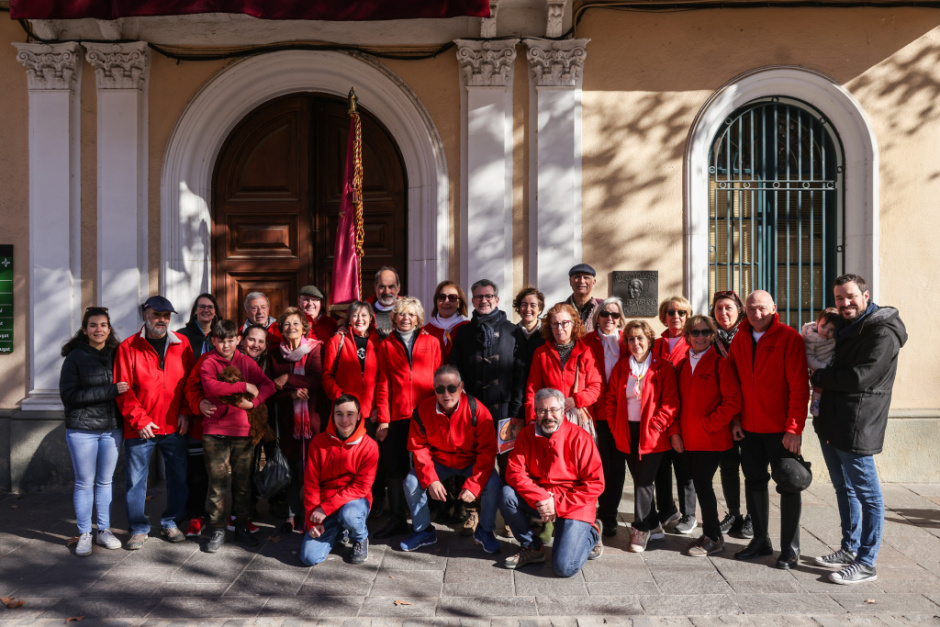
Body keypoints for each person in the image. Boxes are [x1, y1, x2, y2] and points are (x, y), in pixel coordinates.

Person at [811, 274, 907, 585]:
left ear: (865, 295)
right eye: (839, 298)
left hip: (857, 423)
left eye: (851, 296)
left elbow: (859, 378)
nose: (845, 303)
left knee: (869, 495)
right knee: (844, 488)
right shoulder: (846, 327)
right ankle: (849, 548)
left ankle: (866, 562)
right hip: (832, 420)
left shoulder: (882, 332)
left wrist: (819, 377)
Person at [726, 290, 809, 569]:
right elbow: (734, 383)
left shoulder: (789, 338)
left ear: (773, 308)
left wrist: (794, 428)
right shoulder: (740, 338)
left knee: (788, 483)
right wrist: (736, 419)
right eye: (750, 309)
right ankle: (760, 540)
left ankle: (790, 549)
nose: (756, 313)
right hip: (749, 429)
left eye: (761, 308)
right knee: (754, 482)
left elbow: (799, 387)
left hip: (781, 430)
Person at [114, 296, 195, 550]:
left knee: (178, 478)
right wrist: (140, 420)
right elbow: (122, 390)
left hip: (174, 425)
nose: (162, 320)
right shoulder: (128, 347)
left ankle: (171, 521)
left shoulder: (183, 344)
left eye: (166, 316)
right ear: (144, 315)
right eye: (157, 315)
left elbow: (191, 384)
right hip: (140, 428)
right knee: (136, 481)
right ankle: (138, 528)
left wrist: (185, 412)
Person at [500, 387, 604, 576]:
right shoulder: (526, 435)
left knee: (564, 568)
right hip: (542, 497)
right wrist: (542, 498)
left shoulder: (580, 438)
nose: (548, 416)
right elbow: (514, 472)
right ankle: (532, 547)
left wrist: (557, 505)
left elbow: (595, 483)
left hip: (573, 503)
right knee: (507, 494)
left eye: (554, 410)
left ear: (563, 410)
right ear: (536, 412)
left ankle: (592, 532)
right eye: (542, 410)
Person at [401, 365, 502, 554]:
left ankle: (485, 530)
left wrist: (474, 485)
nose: (446, 394)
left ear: (461, 386)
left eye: (451, 388)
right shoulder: (423, 410)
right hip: (439, 462)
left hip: (470, 461)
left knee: (493, 482)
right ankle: (423, 531)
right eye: (440, 389)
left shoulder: (477, 410)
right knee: (412, 482)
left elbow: (487, 452)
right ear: (434, 390)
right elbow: (418, 448)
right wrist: (431, 479)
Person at [198, 319, 275, 552]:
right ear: (213, 341)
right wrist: (244, 386)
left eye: (231, 340)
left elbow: (268, 385)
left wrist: (255, 403)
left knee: (242, 484)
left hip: (243, 433)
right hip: (215, 432)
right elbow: (212, 388)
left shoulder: (246, 362)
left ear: (237, 340)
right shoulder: (209, 362)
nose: (226, 345)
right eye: (221, 341)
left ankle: (240, 524)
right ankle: (217, 528)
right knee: (217, 483)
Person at [603, 320, 679, 553]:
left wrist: (656, 426)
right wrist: (616, 428)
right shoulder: (621, 367)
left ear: (649, 340)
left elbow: (671, 402)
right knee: (639, 480)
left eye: (640, 338)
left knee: (644, 482)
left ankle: (640, 528)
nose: (635, 343)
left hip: (652, 434)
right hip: (626, 432)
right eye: (631, 339)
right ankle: (654, 526)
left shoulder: (662, 367)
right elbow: (611, 401)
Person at [59, 306, 128, 556]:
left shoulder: (117, 354)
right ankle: (85, 533)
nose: (98, 329)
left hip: (111, 429)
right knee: (84, 483)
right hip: (83, 429)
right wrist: (110, 391)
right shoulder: (75, 357)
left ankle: (104, 530)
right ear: (85, 329)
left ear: (109, 329)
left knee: (106, 482)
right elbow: (69, 396)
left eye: (103, 325)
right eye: (93, 325)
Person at [671, 315, 742, 557]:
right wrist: (676, 433)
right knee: (699, 485)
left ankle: (714, 537)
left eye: (705, 332)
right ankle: (710, 533)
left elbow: (732, 402)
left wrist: (708, 425)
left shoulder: (719, 364)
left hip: (711, 440)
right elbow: (675, 403)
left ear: (712, 335)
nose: (700, 336)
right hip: (688, 439)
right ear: (687, 336)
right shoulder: (681, 365)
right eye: (695, 332)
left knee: (702, 485)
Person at [374, 296, 442, 539]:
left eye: (411, 314)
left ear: (418, 319)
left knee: (429, 463)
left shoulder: (432, 342)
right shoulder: (386, 345)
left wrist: (441, 412)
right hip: (398, 415)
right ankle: (397, 518)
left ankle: (431, 511)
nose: (406, 318)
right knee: (394, 467)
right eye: (401, 314)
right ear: (394, 318)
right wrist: (383, 419)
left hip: (427, 414)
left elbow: (439, 380)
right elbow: (383, 383)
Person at [300, 394, 378, 566]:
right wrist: (311, 520)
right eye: (339, 414)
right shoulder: (318, 442)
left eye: (350, 414)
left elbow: (361, 487)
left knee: (349, 515)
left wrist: (325, 508)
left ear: (359, 416)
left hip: (354, 503)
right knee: (309, 558)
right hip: (324, 506)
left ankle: (360, 537)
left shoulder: (369, 446)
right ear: (332, 415)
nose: (344, 420)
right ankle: (340, 533)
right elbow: (311, 484)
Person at [322, 301, 384, 515]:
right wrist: (343, 403)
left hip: (371, 414)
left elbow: (383, 379)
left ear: (371, 318)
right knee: (345, 462)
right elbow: (327, 376)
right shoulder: (336, 341)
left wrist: (379, 407)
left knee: (369, 462)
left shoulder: (380, 342)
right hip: (345, 415)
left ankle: (370, 505)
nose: (360, 319)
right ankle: (343, 505)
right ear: (348, 318)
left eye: (364, 315)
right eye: (355, 315)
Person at [268, 307, 323, 535]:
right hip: (288, 422)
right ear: (281, 329)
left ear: (304, 327)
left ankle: (309, 515)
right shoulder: (274, 354)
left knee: (308, 471)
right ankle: (291, 516)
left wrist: (289, 378)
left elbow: (316, 379)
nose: (291, 328)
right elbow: (271, 389)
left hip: (312, 421)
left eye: (296, 323)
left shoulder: (315, 349)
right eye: (286, 324)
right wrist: (291, 393)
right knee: (291, 471)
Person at [582, 297, 628, 537]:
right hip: (592, 412)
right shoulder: (586, 341)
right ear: (597, 317)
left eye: (615, 314)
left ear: (620, 318)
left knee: (616, 465)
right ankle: (588, 510)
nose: (609, 319)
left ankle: (609, 514)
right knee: (593, 463)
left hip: (620, 413)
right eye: (605, 314)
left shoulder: (627, 341)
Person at [651, 295, 697, 536]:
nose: (676, 317)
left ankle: (689, 514)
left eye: (681, 313)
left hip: (683, 415)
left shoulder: (694, 344)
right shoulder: (655, 345)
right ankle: (668, 509)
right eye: (671, 312)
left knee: (684, 467)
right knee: (660, 467)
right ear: (663, 316)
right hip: (660, 415)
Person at [710, 290, 752, 539]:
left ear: (739, 310)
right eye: (718, 308)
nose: (723, 313)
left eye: (728, 308)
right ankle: (734, 513)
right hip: (723, 412)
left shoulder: (748, 335)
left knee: (751, 468)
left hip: (749, 412)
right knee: (727, 467)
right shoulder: (709, 337)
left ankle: (753, 517)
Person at [524, 303, 602, 425]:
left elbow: (596, 387)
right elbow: (532, 390)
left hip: (578, 421)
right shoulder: (541, 353)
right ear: (550, 326)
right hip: (550, 420)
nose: (560, 328)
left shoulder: (585, 352)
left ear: (573, 324)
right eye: (555, 324)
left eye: (564, 323)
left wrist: (576, 400)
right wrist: (532, 418)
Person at [802, 307, 840, 416]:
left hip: (831, 367)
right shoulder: (810, 337)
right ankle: (815, 402)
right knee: (819, 385)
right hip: (819, 368)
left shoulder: (835, 338)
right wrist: (823, 367)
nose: (826, 332)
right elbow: (808, 358)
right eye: (823, 326)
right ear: (817, 323)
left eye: (831, 329)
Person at [424, 280, 469, 363]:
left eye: (452, 297)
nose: (446, 301)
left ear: (459, 303)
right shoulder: (425, 331)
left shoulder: (469, 328)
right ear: (436, 301)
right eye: (442, 297)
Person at [513, 286, 546, 384]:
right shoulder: (511, 333)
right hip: (516, 389)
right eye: (524, 304)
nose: (528, 309)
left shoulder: (548, 334)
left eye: (533, 305)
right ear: (518, 307)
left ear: (540, 309)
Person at [565, 263, 602, 332]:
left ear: (594, 282)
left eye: (586, 277)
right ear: (570, 281)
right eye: (577, 277)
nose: (581, 281)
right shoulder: (560, 309)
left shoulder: (602, 308)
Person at [368, 266, 401, 339]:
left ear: (398, 288)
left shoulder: (410, 311)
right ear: (375, 287)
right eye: (382, 287)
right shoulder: (364, 312)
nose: (386, 292)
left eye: (391, 287)